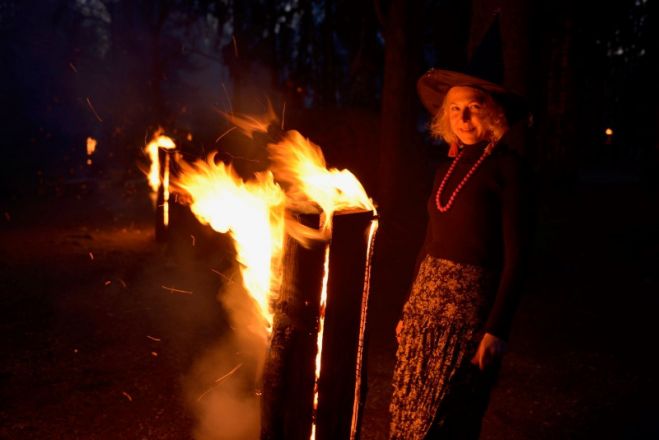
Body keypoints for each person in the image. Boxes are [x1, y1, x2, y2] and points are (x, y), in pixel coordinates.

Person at [388, 67, 532, 439]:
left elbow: (517, 255)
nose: (463, 118)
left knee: (452, 419)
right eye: (455, 109)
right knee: (410, 413)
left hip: (469, 310)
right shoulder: (445, 169)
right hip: (425, 306)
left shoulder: (509, 167)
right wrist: (408, 306)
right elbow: (428, 243)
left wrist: (496, 329)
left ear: (494, 112)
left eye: (473, 106)